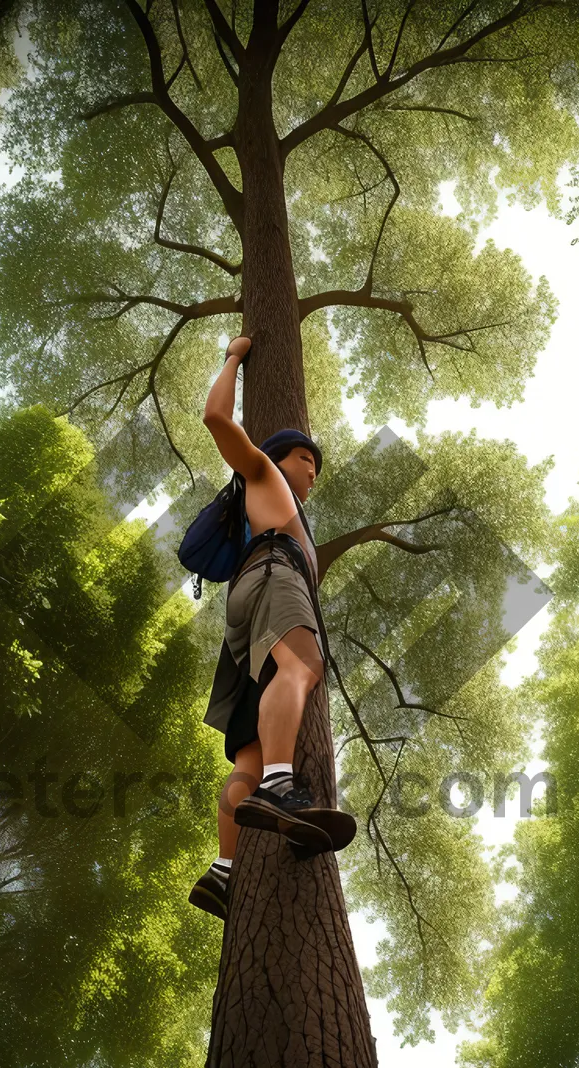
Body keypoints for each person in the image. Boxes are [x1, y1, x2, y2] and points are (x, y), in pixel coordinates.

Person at [188, 334, 354, 920]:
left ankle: (225, 870)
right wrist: (234, 357)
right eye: (305, 457)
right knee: (302, 666)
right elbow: (215, 417)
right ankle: (284, 787)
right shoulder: (265, 478)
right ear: (279, 458)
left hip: (250, 600)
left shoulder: (281, 508)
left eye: (314, 463)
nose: (312, 470)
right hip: (272, 579)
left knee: (246, 760)